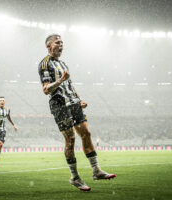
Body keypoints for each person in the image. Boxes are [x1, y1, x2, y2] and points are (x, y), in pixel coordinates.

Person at [38, 34, 116, 191]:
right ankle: (74, 177)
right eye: (57, 42)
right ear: (49, 46)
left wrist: (79, 99)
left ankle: (96, 171)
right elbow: (46, 90)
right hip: (59, 104)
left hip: (73, 103)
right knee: (71, 139)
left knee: (86, 133)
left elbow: (70, 85)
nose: (61, 45)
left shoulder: (63, 63)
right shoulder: (45, 64)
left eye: (62, 43)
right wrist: (59, 81)